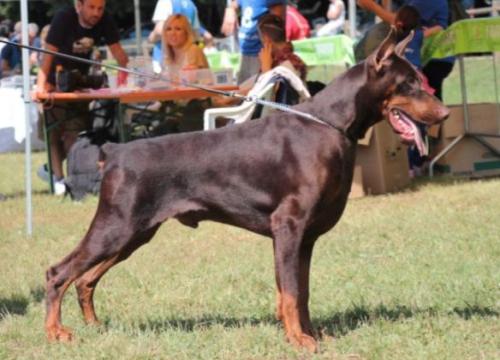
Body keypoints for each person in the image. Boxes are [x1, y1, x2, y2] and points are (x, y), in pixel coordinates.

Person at [35, 0, 128, 195]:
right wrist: (41, 85)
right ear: (79, 5)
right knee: (53, 133)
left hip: (80, 84)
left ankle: (72, 178)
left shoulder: (105, 20)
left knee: (75, 132)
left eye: (100, 8)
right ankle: (59, 180)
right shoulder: (63, 18)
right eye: (91, 7)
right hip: (54, 82)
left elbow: (120, 56)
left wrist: (126, 81)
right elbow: (48, 53)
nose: (96, 12)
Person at [221, 0, 286, 84]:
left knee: (258, 90)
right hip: (245, 53)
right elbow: (235, 4)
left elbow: (277, 25)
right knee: (242, 90)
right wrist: (230, 10)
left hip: (261, 54)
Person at [148, 0, 213, 73]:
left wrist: (151, 38)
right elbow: (195, 35)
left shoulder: (165, 2)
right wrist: (202, 48)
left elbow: (159, 30)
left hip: (164, 60)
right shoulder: (191, 5)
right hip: (185, 59)